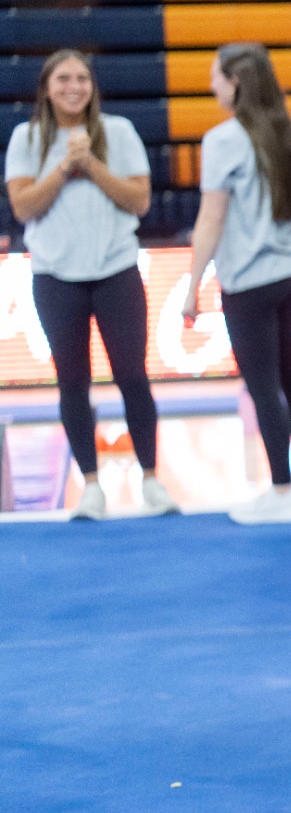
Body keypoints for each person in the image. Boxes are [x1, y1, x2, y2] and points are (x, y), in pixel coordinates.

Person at [5, 50, 172, 520]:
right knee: (71, 383)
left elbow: (139, 200)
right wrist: (62, 168)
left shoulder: (117, 133)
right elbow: (23, 207)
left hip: (116, 270)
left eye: (81, 78)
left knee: (132, 377)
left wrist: (91, 165)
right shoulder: (27, 138)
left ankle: (151, 478)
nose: (73, 86)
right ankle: (92, 484)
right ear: (46, 87)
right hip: (56, 276)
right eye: (63, 79)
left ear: (92, 87)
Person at [184, 42, 291, 525]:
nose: (211, 85)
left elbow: (211, 219)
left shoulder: (224, 140)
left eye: (216, 77)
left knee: (263, 385)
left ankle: (282, 490)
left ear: (236, 82)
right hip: (289, 272)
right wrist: (282, 242)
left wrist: (191, 286)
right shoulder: (290, 133)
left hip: (247, 280)